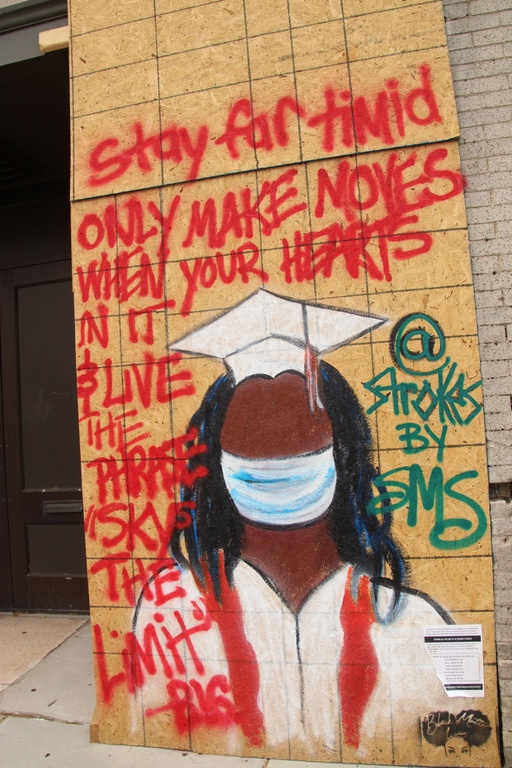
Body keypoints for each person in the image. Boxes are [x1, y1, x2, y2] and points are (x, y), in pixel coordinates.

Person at [133, 290, 486, 762]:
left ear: (343, 453)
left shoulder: (409, 621)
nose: (276, 457)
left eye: (298, 443)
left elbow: (460, 739)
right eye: (252, 444)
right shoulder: (172, 611)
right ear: (215, 464)